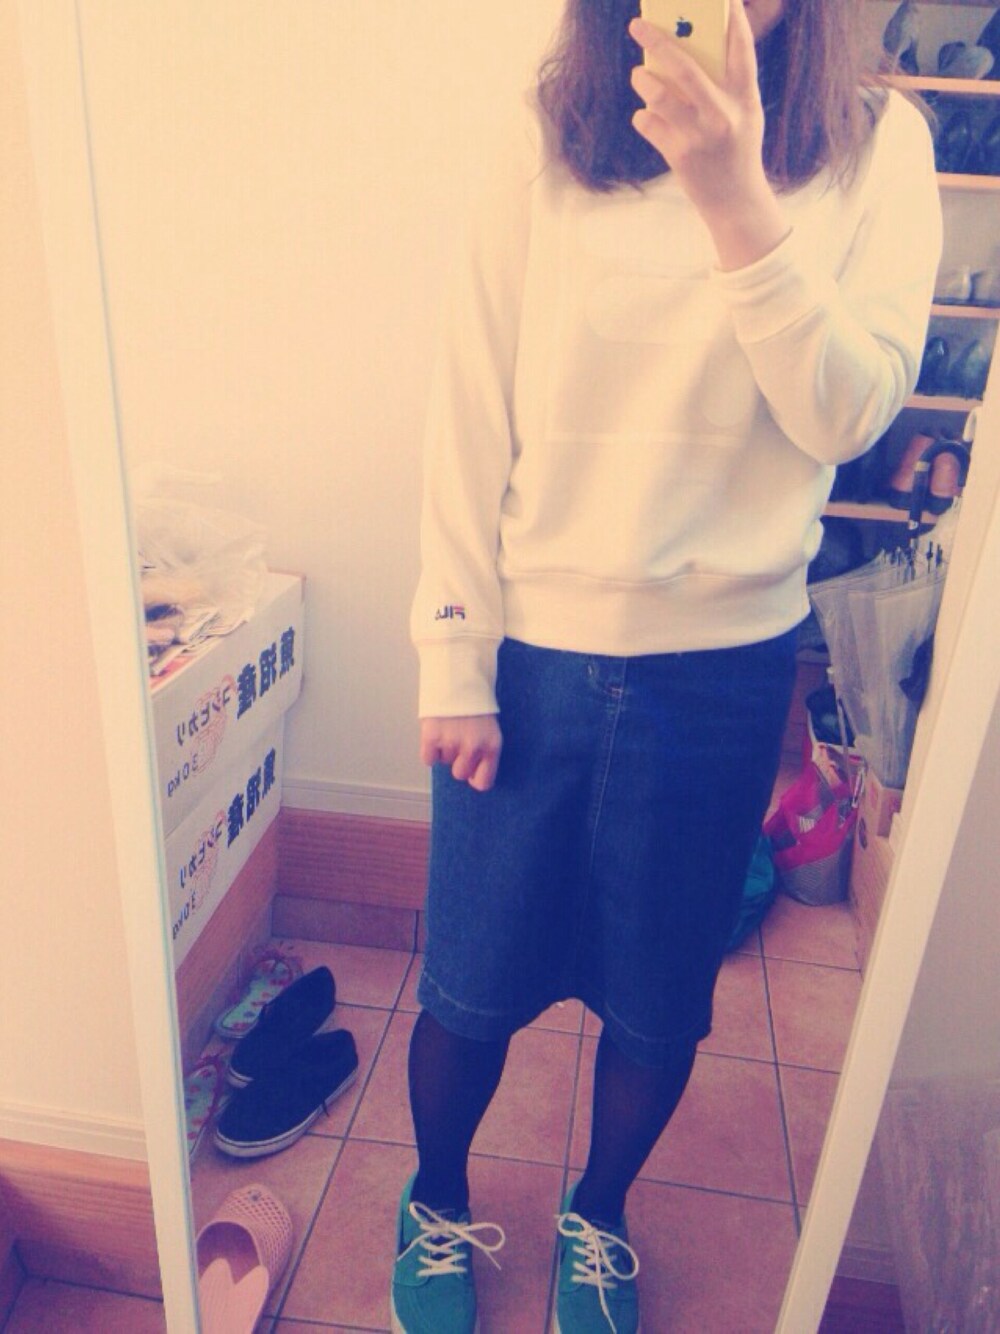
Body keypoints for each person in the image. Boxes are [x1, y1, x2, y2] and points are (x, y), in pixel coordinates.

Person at [394, 2, 942, 1330]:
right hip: (532, 652)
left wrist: (733, 192)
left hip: (724, 669)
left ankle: (600, 1211)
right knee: (469, 981)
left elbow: (849, 416)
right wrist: (452, 645)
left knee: (657, 1004)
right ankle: (434, 1196)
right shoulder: (549, 126)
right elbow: (471, 399)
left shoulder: (881, 145)